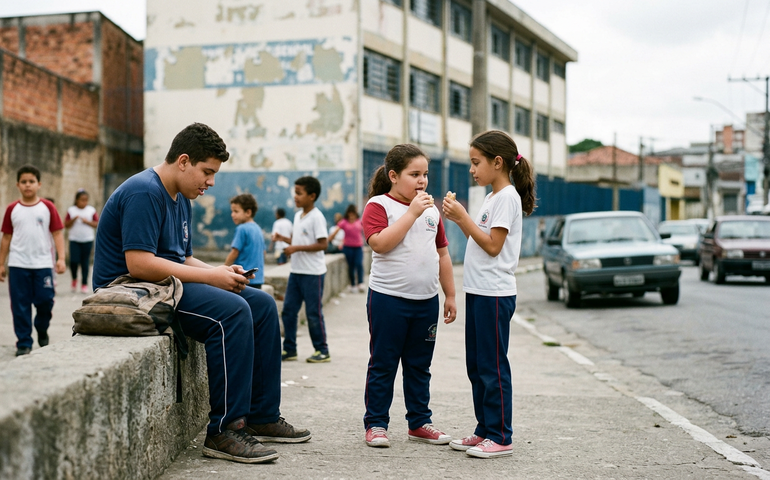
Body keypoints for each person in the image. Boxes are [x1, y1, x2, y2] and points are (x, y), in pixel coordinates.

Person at [92, 123, 310, 465]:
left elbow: (182, 257)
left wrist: (220, 273)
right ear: (183, 161)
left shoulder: (181, 197)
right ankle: (223, 431)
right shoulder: (144, 192)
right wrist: (210, 277)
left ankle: (262, 415)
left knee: (263, 304)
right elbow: (139, 264)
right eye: (206, 172)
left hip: (166, 285)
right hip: (135, 292)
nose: (210, 182)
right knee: (234, 312)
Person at [441, 130, 536, 458]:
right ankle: (485, 429)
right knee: (477, 365)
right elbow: (482, 237)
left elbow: (493, 246)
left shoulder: (507, 196)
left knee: (493, 367)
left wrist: (461, 217)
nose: (471, 169)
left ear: (498, 163)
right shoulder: (493, 197)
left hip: (495, 293)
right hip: (479, 291)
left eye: (476, 162)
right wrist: (463, 219)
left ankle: (500, 436)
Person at [360, 144, 457, 448]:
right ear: (393, 175)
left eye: (425, 174)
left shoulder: (431, 211)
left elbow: (443, 255)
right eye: (414, 174)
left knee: (419, 365)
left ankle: (419, 422)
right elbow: (380, 243)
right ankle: (376, 423)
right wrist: (412, 212)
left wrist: (450, 295)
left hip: (426, 302)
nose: (422, 181)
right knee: (384, 363)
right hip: (388, 299)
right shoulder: (379, 205)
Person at [0, 165, 66, 356]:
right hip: (18, 264)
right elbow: (6, 237)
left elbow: (57, 233)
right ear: (18, 185)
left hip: (43, 264)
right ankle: (24, 342)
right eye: (24, 182)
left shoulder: (47, 207)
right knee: (20, 305)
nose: (27, 185)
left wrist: (61, 259)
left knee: (45, 301)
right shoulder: (12, 209)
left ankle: (41, 327)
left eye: (31, 181)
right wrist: (1, 264)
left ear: (39, 184)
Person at [272, 176, 330, 364]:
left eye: (299, 193)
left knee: (313, 313)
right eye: (294, 192)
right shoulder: (298, 216)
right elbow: (299, 241)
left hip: (313, 273)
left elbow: (323, 244)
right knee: (288, 311)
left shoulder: (317, 217)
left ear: (312, 196)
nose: (295, 197)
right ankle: (290, 349)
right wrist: (285, 239)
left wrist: (295, 248)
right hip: (296, 272)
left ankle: (322, 350)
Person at [225, 193, 265, 289]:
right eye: (232, 211)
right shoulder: (258, 229)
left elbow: (234, 252)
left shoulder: (242, 229)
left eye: (236, 211)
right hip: (258, 278)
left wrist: (224, 267)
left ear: (248, 212)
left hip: (243, 278)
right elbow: (264, 252)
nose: (232, 214)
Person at [64, 189, 99, 293]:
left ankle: (84, 283)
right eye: (82, 200)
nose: (84, 202)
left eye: (86, 200)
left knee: (85, 262)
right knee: (73, 261)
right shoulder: (71, 210)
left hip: (87, 240)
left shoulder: (91, 210)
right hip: (74, 240)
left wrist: (86, 222)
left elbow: (96, 223)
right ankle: (74, 278)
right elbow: (66, 224)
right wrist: (74, 219)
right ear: (76, 200)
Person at [329, 204, 365, 293]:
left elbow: (365, 231)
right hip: (348, 247)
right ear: (348, 213)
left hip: (358, 247)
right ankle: (352, 284)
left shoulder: (359, 221)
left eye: (353, 213)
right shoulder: (344, 222)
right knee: (351, 266)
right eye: (350, 213)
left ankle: (360, 282)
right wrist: (329, 239)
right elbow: (336, 231)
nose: (352, 215)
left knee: (359, 264)